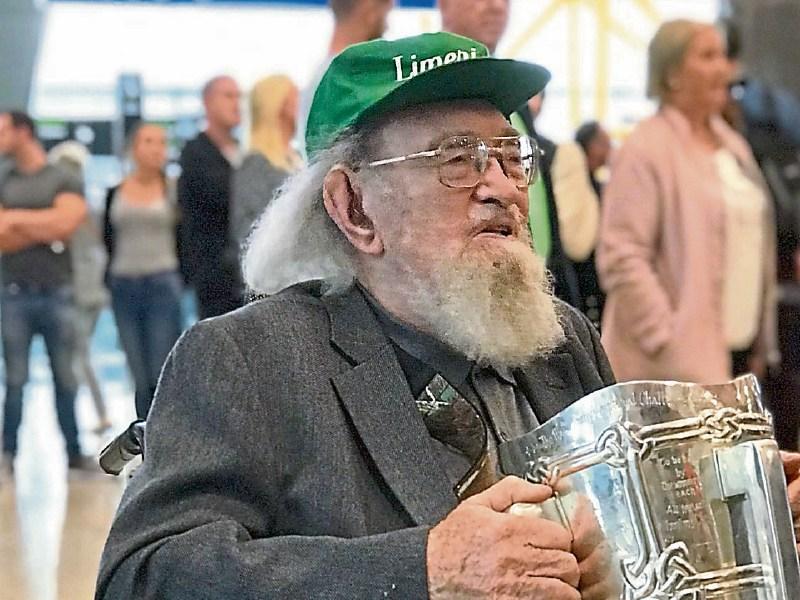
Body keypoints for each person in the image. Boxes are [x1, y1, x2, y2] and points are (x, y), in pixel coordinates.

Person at [97, 32, 620, 599]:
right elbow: (143, 577)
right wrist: (425, 569)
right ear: (354, 208)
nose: (501, 188)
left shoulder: (561, 339)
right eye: (457, 159)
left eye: (510, 156)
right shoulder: (249, 359)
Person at [597, 20, 778, 384]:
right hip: (668, 369)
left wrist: (761, 339)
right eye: (708, 56)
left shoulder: (732, 145)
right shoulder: (645, 147)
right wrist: (666, 337)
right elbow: (621, 256)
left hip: (737, 353)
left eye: (723, 56)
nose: (725, 69)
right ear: (673, 73)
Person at [0, 110, 90, 471]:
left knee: (65, 377)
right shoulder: (3, 178)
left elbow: (66, 224)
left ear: (23, 132)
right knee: (15, 379)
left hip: (57, 292)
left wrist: (16, 219)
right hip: (13, 293)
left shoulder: (62, 177)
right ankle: (8, 453)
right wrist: (44, 224)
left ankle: (73, 452)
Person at [104, 123, 183, 420]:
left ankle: (167, 440)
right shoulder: (116, 191)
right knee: (138, 372)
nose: (156, 148)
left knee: (160, 370)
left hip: (161, 282)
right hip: (123, 284)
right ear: (133, 148)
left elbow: (185, 237)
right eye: (148, 141)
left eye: (162, 142)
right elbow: (108, 237)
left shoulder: (172, 190)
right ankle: (145, 442)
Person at [48, 140, 112, 433]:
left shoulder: (74, 210)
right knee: (78, 355)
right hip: (91, 286)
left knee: (78, 356)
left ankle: (97, 413)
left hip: (81, 289)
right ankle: (94, 414)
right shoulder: (89, 206)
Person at [178, 75, 243, 319]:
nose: (236, 104)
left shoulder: (243, 151)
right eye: (228, 96)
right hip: (214, 278)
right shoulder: (195, 153)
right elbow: (223, 198)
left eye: (239, 96)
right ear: (207, 102)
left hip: (244, 272)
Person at [295, 0, 393, 157]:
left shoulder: (322, 79)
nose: (387, 27)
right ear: (370, 10)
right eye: (385, 13)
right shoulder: (352, 82)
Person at [230, 75, 301, 259]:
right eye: (296, 98)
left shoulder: (295, 158)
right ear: (281, 105)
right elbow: (250, 231)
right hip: (280, 274)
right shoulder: (256, 164)